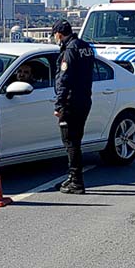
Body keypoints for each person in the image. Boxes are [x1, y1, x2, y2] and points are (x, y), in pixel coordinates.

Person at [52, 19, 94, 195]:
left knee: (70, 142)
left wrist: (59, 104)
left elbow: (64, 79)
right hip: (84, 99)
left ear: (59, 34)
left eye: (54, 35)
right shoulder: (85, 47)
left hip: (71, 102)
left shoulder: (69, 51)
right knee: (75, 140)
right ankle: (72, 177)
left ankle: (76, 181)